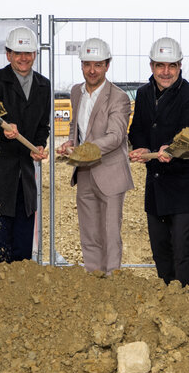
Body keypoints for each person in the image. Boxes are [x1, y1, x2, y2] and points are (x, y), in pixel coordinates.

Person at [128, 37, 189, 287]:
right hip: (156, 181)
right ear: (151, 66)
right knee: (160, 247)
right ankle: (166, 296)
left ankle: (186, 298)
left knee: (182, 246)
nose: (166, 72)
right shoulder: (143, 93)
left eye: (171, 66)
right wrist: (141, 146)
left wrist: (171, 146)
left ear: (180, 66)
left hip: (184, 181)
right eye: (160, 65)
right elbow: (137, 128)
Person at [0, 27, 50, 263]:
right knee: (0, 246)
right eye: (18, 53)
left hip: (24, 176)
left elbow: (42, 127)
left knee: (23, 248)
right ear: (8, 54)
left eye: (28, 53)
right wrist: (3, 130)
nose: (23, 58)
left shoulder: (43, 86)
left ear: (35, 55)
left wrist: (38, 145)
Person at [56, 37, 133, 273]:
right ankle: (93, 278)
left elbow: (116, 135)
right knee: (89, 231)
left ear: (107, 65)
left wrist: (85, 151)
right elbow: (76, 127)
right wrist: (71, 142)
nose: (92, 70)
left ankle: (111, 282)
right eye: (87, 64)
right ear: (81, 65)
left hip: (110, 173)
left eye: (98, 64)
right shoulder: (76, 92)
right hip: (85, 173)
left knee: (110, 233)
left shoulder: (119, 97)